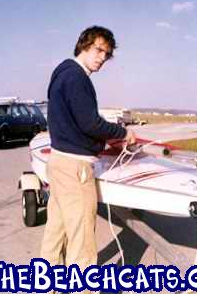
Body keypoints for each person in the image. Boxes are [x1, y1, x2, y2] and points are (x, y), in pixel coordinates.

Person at [40, 26, 136, 292]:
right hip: (75, 168)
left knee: (55, 235)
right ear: (84, 44)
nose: (102, 58)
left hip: (58, 163)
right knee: (82, 246)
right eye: (98, 49)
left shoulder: (61, 72)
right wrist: (123, 132)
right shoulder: (76, 77)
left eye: (106, 54)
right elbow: (90, 123)